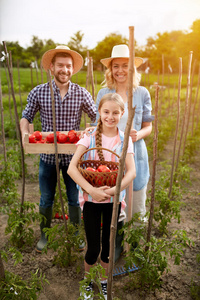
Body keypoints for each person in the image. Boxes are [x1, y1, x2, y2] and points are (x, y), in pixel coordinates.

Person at [20, 45, 96, 252]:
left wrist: (91, 130)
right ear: (52, 67)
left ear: (73, 69)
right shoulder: (39, 92)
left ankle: (75, 235)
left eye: (68, 66)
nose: (65, 69)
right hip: (47, 157)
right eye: (60, 65)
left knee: (74, 197)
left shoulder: (81, 93)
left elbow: (96, 116)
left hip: (73, 159)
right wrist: (25, 133)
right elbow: (26, 116)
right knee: (46, 198)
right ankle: (44, 235)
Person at [67, 93, 136, 299]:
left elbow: (131, 172)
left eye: (116, 113)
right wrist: (92, 190)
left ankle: (104, 281)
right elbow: (72, 168)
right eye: (106, 112)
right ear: (99, 112)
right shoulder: (88, 137)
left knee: (108, 245)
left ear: (122, 114)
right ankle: (88, 281)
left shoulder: (124, 140)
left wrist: (115, 190)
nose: (110, 116)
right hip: (91, 201)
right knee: (93, 246)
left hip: (113, 202)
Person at [95, 44, 154, 261]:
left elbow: (149, 125)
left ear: (132, 69)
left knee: (137, 206)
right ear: (111, 69)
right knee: (115, 207)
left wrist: (140, 134)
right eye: (116, 66)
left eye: (125, 66)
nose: (120, 70)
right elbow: (97, 124)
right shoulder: (104, 93)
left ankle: (136, 244)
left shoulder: (142, 93)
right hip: (109, 157)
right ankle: (117, 244)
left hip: (136, 154)